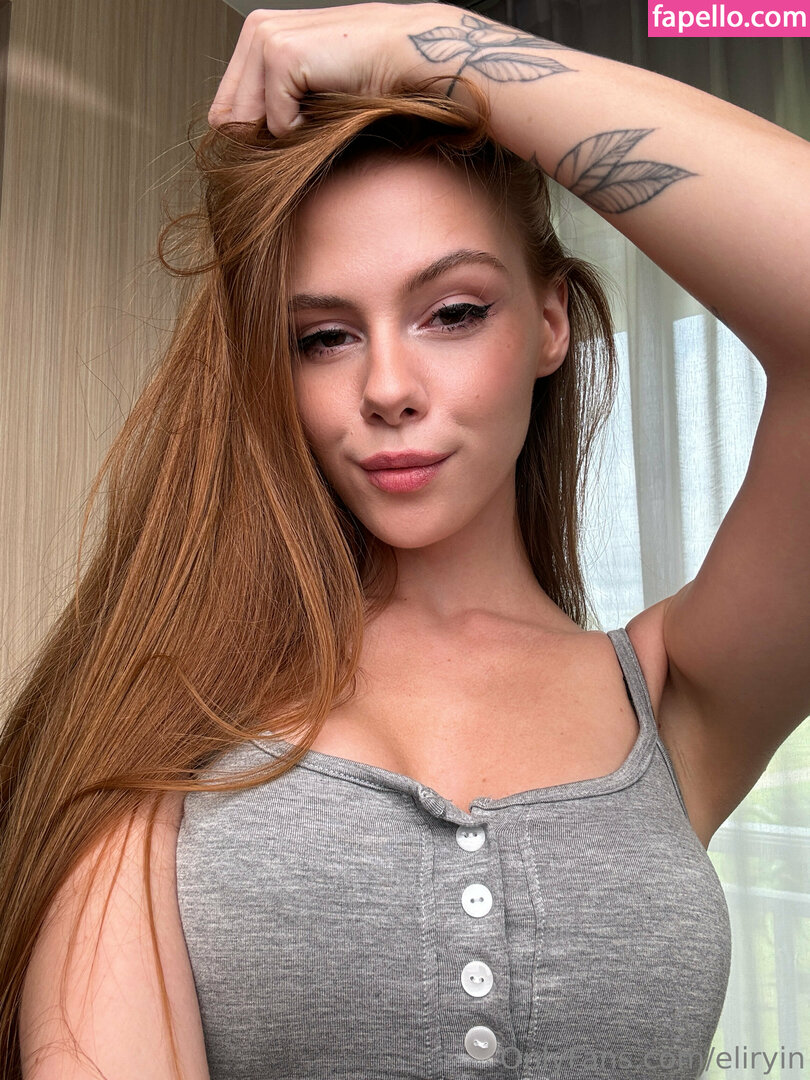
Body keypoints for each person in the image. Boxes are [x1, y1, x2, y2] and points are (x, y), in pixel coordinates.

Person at [3, 3, 808, 1078]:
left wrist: (433, 40)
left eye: (453, 312)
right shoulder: (171, 717)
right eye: (325, 337)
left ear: (552, 323)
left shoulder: (674, 699)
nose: (387, 387)